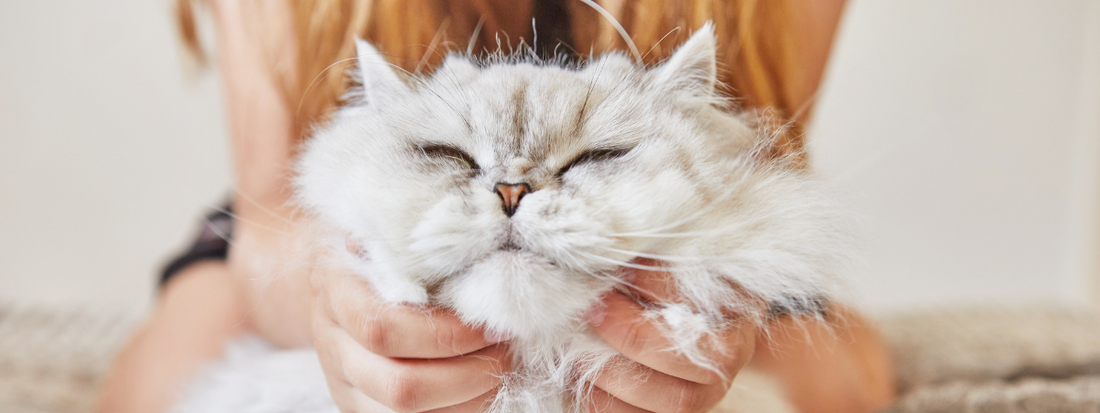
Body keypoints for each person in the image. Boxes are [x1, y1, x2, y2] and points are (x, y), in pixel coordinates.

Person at [95, 1, 896, 412]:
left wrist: (724, 317)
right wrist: (334, 292)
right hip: (348, 226)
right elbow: (272, 203)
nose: (517, 193)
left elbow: (756, 178)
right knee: (154, 381)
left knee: (841, 378)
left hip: (647, 228)